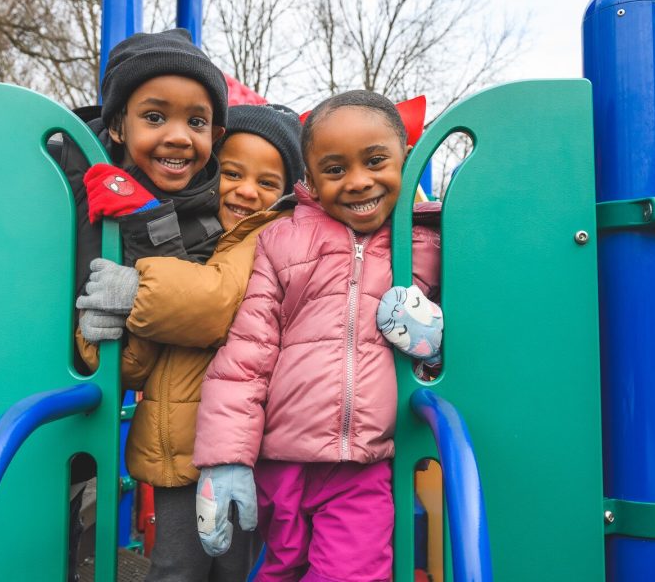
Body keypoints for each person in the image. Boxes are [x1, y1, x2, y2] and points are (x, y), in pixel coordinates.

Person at [192, 90, 443, 582]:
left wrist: (433, 344)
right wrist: (226, 458)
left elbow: (459, 354)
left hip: (364, 466)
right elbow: (246, 356)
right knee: (279, 569)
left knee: (351, 572)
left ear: (405, 159)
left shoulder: (428, 245)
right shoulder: (283, 241)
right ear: (308, 177)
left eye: (375, 161)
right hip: (279, 461)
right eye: (334, 169)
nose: (358, 181)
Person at [76, 104, 305, 581]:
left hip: (240, 444)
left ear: (285, 194)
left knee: (221, 566)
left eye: (267, 183)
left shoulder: (268, 236)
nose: (246, 191)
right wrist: (106, 333)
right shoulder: (195, 238)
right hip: (178, 440)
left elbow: (216, 306)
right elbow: (141, 363)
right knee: (178, 566)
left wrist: (138, 289)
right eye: (234, 173)